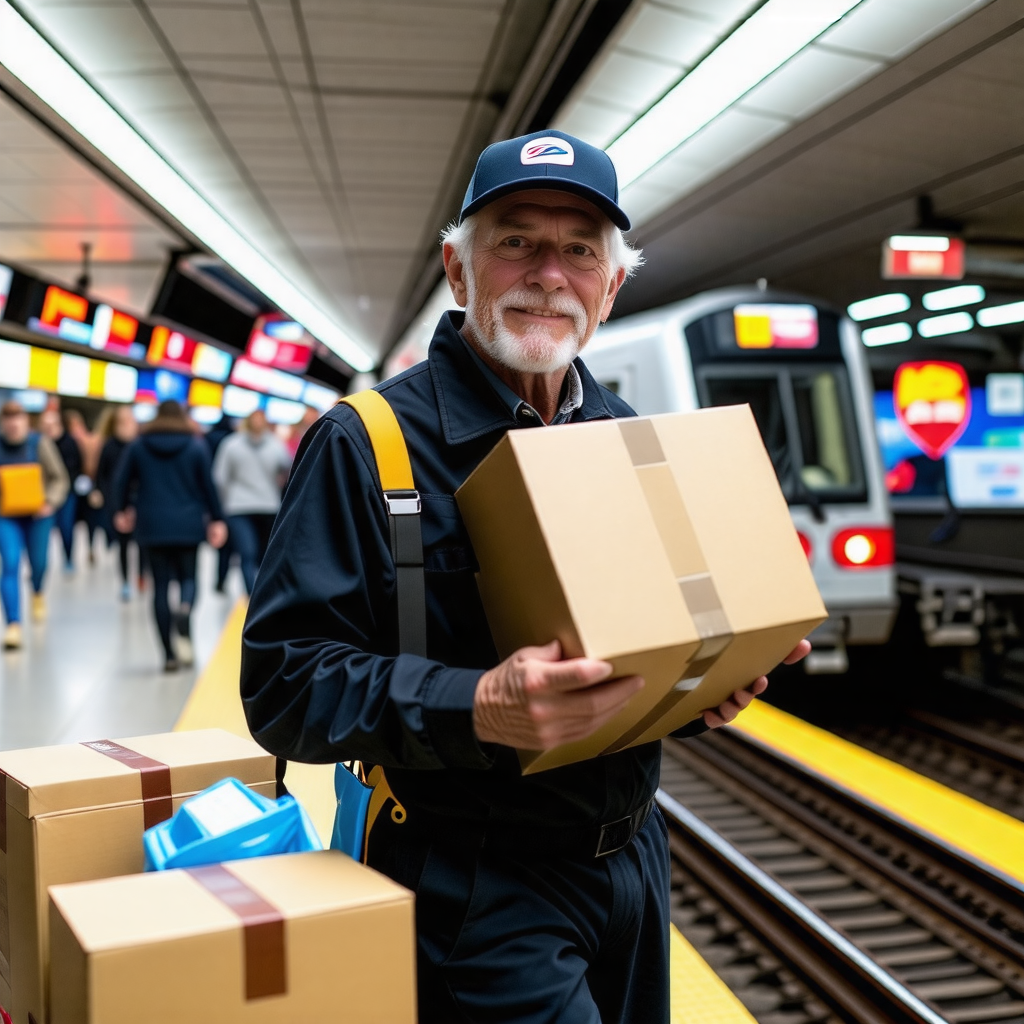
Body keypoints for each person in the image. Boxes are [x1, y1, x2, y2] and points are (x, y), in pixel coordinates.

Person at [241, 129, 811, 1023]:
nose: (549, 273)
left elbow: (631, 656)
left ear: (612, 287)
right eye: (515, 241)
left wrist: (698, 691)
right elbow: (280, 686)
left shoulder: (628, 435)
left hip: (634, 863)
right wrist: (477, 707)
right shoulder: (366, 444)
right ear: (458, 270)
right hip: (474, 882)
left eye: (581, 250)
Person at [113, 400, 227, 671]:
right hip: (188, 523)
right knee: (189, 577)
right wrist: (218, 519)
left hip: (152, 524)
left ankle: (168, 655)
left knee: (160, 587)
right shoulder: (196, 446)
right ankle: (185, 608)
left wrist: (121, 510)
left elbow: (121, 481)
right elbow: (209, 486)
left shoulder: (139, 446)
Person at [0, 400, 70, 650]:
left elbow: (59, 477)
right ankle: (13, 624)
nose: (13, 424)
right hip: (7, 516)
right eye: (8, 419)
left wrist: (50, 501)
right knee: (10, 564)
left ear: (25, 421)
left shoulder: (39, 444)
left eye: (17, 418)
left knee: (38, 563)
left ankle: (38, 591)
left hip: (39, 515)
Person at [212, 410, 291, 595]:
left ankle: (252, 595)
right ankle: (262, 594)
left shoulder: (230, 444)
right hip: (268, 505)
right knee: (264, 555)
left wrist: (224, 504)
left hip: (238, 507)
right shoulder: (276, 444)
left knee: (246, 553)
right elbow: (288, 470)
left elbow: (220, 478)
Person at [94, 405, 140, 601]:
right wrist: (110, 501)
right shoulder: (109, 446)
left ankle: (141, 576)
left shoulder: (140, 445)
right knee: (122, 545)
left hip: (139, 503)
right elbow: (101, 475)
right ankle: (125, 582)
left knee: (142, 545)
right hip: (117, 503)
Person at [38, 405, 82, 571]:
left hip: (67, 492)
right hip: (43, 495)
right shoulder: (38, 443)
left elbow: (77, 467)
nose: (49, 428)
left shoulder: (69, 442)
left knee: (66, 526)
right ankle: (40, 563)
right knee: (43, 531)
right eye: (45, 425)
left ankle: (68, 557)